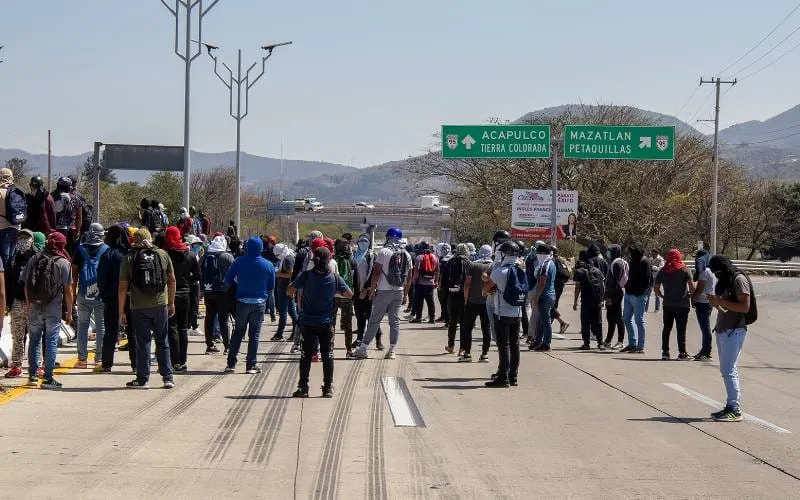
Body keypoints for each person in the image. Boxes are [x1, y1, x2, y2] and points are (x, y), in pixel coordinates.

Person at [289, 246, 352, 398]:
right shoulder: (334, 278)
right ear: (329, 260)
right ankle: (328, 387)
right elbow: (349, 294)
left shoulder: (306, 276)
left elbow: (289, 290)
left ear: (313, 260)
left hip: (308, 322)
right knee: (328, 355)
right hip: (326, 323)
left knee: (305, 356)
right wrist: (333, 293)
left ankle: (303, 388)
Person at [120, 228, 176, 389]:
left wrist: (121, 311)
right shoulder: (162, 254)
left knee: (143, 342)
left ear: (134, 240)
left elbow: (122, 287)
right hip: (160, 304)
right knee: (162, 340)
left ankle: (142, 379)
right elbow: (172, 280)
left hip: (139, 306)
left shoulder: (129, 257)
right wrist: (171, 302)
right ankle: (168, 377)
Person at [352, 227, 412, 360]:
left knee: (374, 320)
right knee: (394, 322)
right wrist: (406, 293)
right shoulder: (406, 254)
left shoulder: (384, 252)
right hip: (399, 292)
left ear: (388, 238)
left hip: (384, 291)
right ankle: (392, 350)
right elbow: (409, 276)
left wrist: (372, 289)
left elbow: (376, 272)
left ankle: (363, 349)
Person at [23, 232, 72, 389]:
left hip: (35, 307)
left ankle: (32, 376)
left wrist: (29, 305)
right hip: (53, 309)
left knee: (34, 340)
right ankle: (48, 378)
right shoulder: (64, 263)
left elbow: (26, 285)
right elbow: (68, 291)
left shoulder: (34, 258)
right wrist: (69, 311)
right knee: (51, 341)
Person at [707, 255, 752, 422]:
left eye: (717, 272)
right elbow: (726, 308)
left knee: (728, 370)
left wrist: (720, 301)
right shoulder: (726, 280)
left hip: (734, 331)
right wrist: (716, 303)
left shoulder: (739, 279)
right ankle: (731, 406)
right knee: (727, 369)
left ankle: (734, 409)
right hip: (723, 330)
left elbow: (744, 307)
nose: (716, 275)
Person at [223, 236, 275, 374]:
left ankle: (231, 364)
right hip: (259, 303)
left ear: (247, 247)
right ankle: (251, 365)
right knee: (254, 335)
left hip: (242, 302)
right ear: (261, 248)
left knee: (238, 332)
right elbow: (271, 286)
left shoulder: (239, 262)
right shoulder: (268, 265)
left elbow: (227, 280)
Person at [485, 240, 524, 387]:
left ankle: (503, 377)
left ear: (504, 254)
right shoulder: (521, 270)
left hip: (502, 313)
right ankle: (513, 376)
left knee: (504, 346)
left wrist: (489, 290)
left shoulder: (500, 272)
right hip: (517, 313)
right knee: (515, 345)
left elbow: (486, 288)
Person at [97, 225, 133, 372]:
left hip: (111, 298)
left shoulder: (107, 255)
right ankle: (136, 364)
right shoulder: (130, 254)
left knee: (110, 332)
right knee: (133, 332)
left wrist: (104, 295)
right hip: (131, 298)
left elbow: (101, 279)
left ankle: (106, 364)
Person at [162, 226, 199, 371]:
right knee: (183, 328)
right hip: (185, 294)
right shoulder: (189, 254)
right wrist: (187, 281)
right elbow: (197, 275)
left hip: (168, 295)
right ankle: (182, 361)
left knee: (171, 328)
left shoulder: (164, 254)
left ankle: (174, 361)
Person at [72, 223, 108, 371]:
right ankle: (99, 359)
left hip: (83, 293)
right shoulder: (106, 250)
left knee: (82, 325)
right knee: (101, 326)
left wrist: (74, 294)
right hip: (101, 294)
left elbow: (74, 275)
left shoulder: (80, 249)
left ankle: (82, 359)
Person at [3, 229, 35, 378]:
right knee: (17, 336)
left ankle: (36, 365)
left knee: (35, 336)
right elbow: (8, 283)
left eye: (26, 238)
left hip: (34, 303)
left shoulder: (37, 258)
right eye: (20, 238)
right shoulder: (13, 260)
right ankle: (17, 365)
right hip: (17, 302)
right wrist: (8, 303)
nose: (23, 241)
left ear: (32, 241)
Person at [654, 249, 695, 361]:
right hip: (682, 305)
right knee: (681, 330)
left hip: (668, 304)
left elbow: (656, 289)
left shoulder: (662, 271)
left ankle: (665, 353)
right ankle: (682, 353)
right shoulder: (685, 270)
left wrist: (663, 296)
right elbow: (692, 288)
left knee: (667, 329)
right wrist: (689, 296)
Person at [201, 234, 234, 354]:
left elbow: (199, 271)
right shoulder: (227, 256)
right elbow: (235, 274)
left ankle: (210, 345)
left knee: (209, 318)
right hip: (223, 292)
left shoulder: (205, 256)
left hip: (208, 290)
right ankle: (227, 346)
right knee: (223, 319)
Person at [459, 244, 492, 362]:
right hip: (487, 303)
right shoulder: (493, 266)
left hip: (472, 301)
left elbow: (467, 284)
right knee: (486, 329)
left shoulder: (473, 265)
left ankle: (467, 354)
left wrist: (465, 299)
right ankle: (484, 355)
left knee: (467, 328)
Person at [352, 233, 383, 350]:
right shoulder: (354, 255)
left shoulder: (372, 256)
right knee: (359, 316)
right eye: (361, 240)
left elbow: (373, 273)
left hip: (368, 291)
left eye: (365, 241)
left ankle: (378, 339)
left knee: (371, 317)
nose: (363, 243)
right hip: (356, 291)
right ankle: (359, 338)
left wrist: (366, 288)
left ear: (369, 243)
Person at [621, 243, 651, 353]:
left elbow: (647, 280)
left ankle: (640, 346)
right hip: (629, 294)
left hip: (639, 296)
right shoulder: (632, 261)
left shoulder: (645, 262)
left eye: (632, 252)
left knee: (639, 321)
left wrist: (641, 293)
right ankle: (632, 343)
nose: (630, 254)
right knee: (626, 318)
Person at [573, 250, 605, 350]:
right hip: (597, 300)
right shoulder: (598, 271)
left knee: (585, 322)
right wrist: (601, 299)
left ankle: (586, 344)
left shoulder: (580, 271)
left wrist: (575, 302)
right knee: (598, 322)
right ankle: (600, 343)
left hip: (586, 300)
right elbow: (603, 286)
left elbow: (577, 288)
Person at [331, 238, 357, 357]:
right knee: (348, 325)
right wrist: (355, 295)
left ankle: (330, 349)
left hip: (332, 296)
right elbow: (356, 279)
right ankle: (349, 350)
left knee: (331, 324)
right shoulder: (351, 260)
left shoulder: (331, 260)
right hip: (347, 295)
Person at [530, 243, 557, 352]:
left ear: (542, 253)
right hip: (549, 295)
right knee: (540, 320)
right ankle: (538, 341)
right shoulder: (551, 262)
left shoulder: (545, 265)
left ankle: (546, 343)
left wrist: (537, 297)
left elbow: (542, 283)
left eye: (538, 253)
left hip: (545, 295)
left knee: (545, 321)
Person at [445, 244, 471, 354]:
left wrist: (446, 294)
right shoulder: (469, 263)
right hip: (464, 295)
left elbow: (444, 279)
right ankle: (462, 348)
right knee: (463, 323)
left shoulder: (450, 262)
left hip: (452, 294)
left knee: (453, 322)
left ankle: (451, 346)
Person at [270, 242, 298, 342]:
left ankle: (279, 334)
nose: (277, 257)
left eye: (277, 255)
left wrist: (278, 274)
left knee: (283, 312)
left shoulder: (287, 259)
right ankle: (296, 332)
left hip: (285, 288)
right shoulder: (287, 256)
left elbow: (290, 274)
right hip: (286, 288)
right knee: (291, 311)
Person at [691, 250, 716, 361]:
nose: (696, 260)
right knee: (705, 328)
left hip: (703, 302)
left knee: (705, 328)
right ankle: (704, 350)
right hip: (707, 301)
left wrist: (693, 298)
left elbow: (700, 288)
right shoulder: (710, 271)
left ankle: (706, 352)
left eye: (697, 258)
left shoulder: (705, 272)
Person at [603, 244, 628, 349]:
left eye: (610, 250)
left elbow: (616, 283)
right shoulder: (614, 262)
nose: (608, 252)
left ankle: (620, 341)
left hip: (615, 294)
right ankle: (608, 340)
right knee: (611, 318)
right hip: (612, 293)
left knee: (618, 318)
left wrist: (609, 296)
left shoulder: (617, 263)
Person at [0, 168, 24, 272]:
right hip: (16, 227)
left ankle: (6, 278)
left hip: (2, 228)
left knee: (4, 258)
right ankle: (13, 277)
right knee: (12, 256)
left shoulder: (0, 192)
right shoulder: (17, 191)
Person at [408, 241, 437, 324]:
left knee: (419, 301)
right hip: (430, 283)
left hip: (420, 283)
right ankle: (432, 318)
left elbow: (416, 271)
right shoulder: (435, 257)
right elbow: (437, 271)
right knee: (430, 301)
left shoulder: (419, 257)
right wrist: (436, 281)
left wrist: (414, 280)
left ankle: (418, 318)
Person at [52, 176, 78, 249]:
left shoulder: (52, 194)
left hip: (52, 226)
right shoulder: (66, 196)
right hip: (62, 227)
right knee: (62, 247)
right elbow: (70, 212)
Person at [435, 243, 452, 326]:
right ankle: (445, 317)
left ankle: (447, 320)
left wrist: (439, 283)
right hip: (449, 284)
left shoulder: (445, 260)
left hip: (444, 284)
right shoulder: (450, 258)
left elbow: (440, 273)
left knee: (444, 302)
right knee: (446, 302)